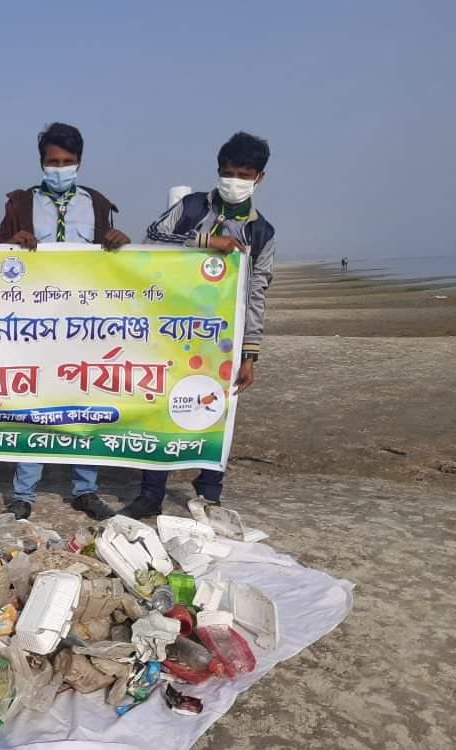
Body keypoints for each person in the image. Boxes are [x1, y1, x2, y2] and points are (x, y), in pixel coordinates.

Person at [121, 131, 276, 519]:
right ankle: (151, 493)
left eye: (244, 174)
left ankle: (209, 492)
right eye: (229, 172)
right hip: (172, 329)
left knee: (217, 409)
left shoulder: (262, 232)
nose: (235, 181)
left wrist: (250, 354)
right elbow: (150, 241)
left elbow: (257, 293)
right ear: (218, 170)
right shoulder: (191, 207)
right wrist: (204, 240)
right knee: (162, 406)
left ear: (259, 178)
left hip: (223, 338)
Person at [0, 122, 131, 522]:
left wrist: (120, 241)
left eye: (67, 161)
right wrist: (10, 243)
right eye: (53, 161)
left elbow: (112, 257)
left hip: (86, 322)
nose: (60, 168)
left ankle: (85, 490)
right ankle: (23, 494)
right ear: (41, 163)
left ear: (79, 162)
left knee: (87, 402)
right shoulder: (20, 203)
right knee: (36, 403)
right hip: (35, 322)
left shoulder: (97, 203)